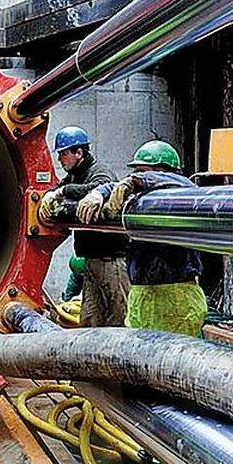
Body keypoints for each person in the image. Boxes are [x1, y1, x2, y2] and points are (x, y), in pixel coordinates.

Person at [73, 140, 208, 337]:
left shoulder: (183, 195)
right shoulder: (140, 202)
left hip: (175, 299)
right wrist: (100, 193)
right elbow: (113, 185)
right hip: (142, 295)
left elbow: (182, 183)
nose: (136, 176)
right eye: (136, 172)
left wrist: (141, 181)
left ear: (164, 171)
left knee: (173, 359)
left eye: (142, 171)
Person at [38, 126, 130, 327]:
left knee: (118, 320)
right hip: (92, 262)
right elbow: (59, 189)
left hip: (111, 262)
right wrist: (51, 195)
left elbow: (102, 188)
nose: (60, 160)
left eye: (64, 154)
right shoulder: (75, 175)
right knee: (90, 320)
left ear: (79, 153)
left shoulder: (100, 172)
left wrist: (63, 195)